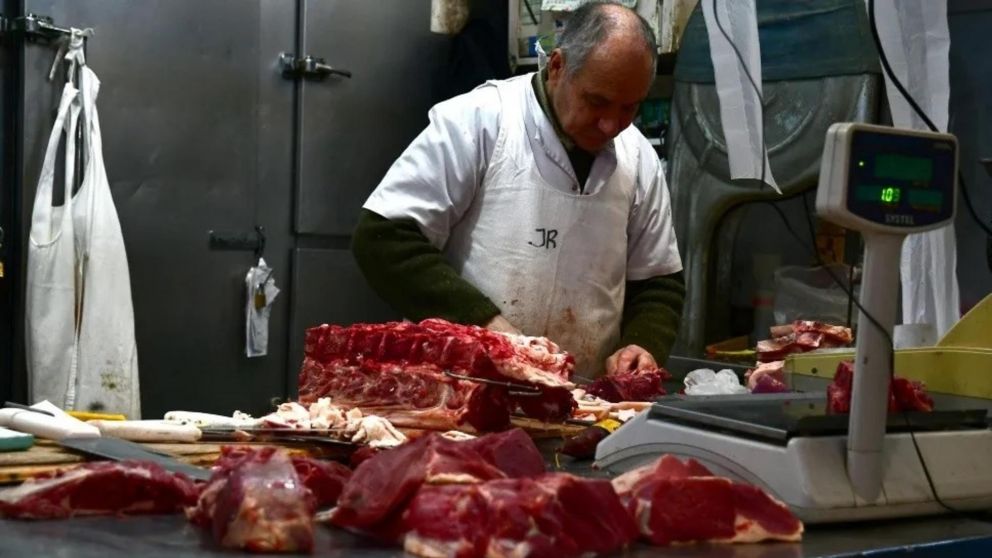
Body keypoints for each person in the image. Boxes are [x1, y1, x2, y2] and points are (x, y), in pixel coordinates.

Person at [352, 1, 684, 378]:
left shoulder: (638, 156)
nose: (611, 124)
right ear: (557, 67)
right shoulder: (479, 122)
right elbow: (383, 239)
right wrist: (485, 325)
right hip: (463, 394)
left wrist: (643, 344)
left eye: (629, 108)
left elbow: (659, 282)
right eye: (597, 102)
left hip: (582, 403)